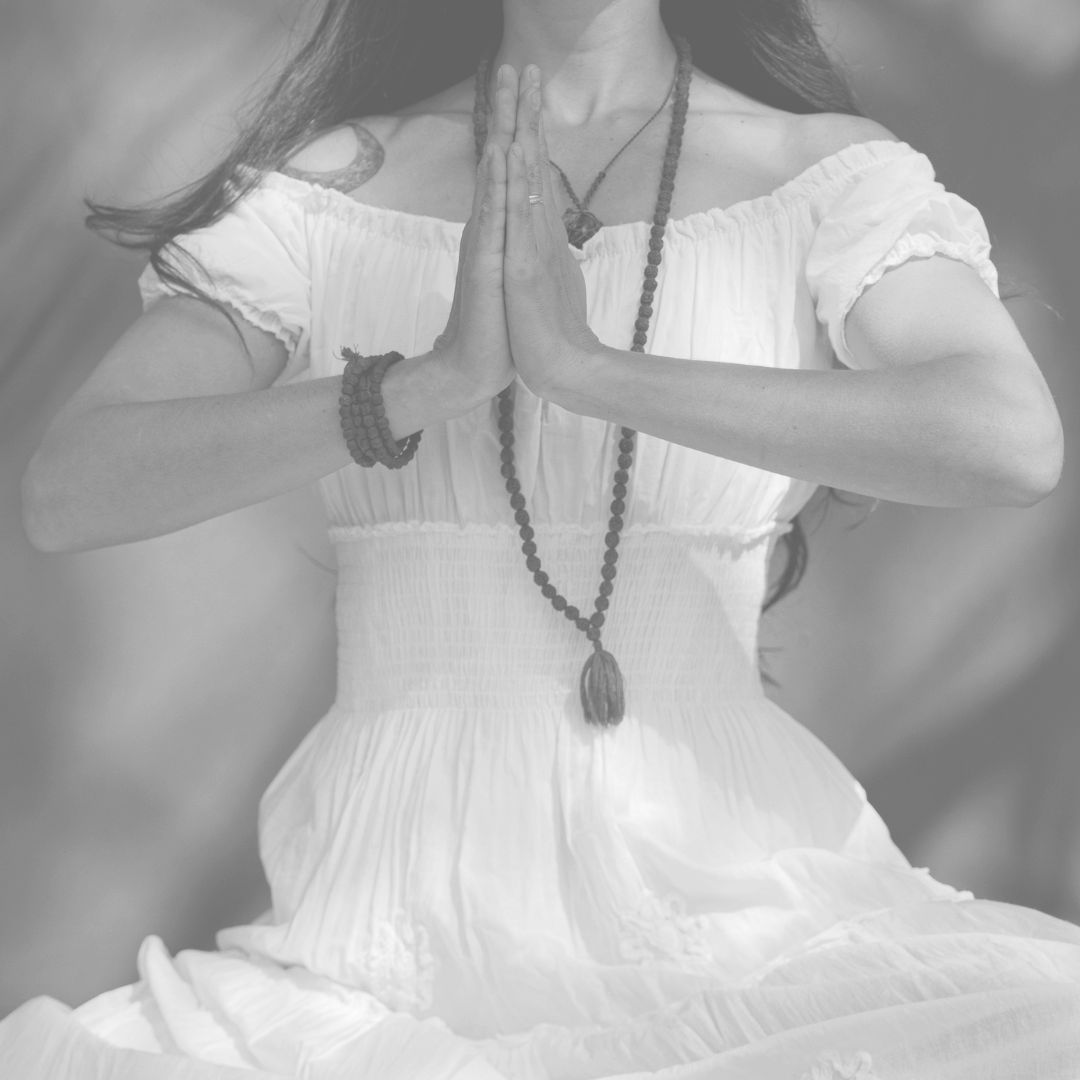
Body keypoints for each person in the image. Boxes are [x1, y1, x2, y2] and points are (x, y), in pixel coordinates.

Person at [4, 0, 1077, 1075]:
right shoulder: (330, 186)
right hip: (377, 930)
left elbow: (1009, 440)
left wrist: (592, 371)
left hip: (750, 900)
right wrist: (429, 385)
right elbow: (73, 488)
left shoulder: (818, 175)